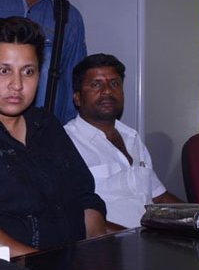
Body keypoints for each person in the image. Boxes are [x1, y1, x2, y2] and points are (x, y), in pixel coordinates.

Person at [0, 17, 105, 257]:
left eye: (28, 72)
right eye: (4, 71)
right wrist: (40, 263)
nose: (17, 85)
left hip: (76, 264)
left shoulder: (46, 124)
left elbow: (85, 197)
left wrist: (97, 251)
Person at [64, 53, 181, 229]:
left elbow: (159, 197)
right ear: (77, 98)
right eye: (96, 84)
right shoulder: (66, 143)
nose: (107, 91)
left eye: (114, 83)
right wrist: (135, 240)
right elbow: (76, 216)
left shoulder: (132, 138)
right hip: (111, 243)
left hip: (153, 238)